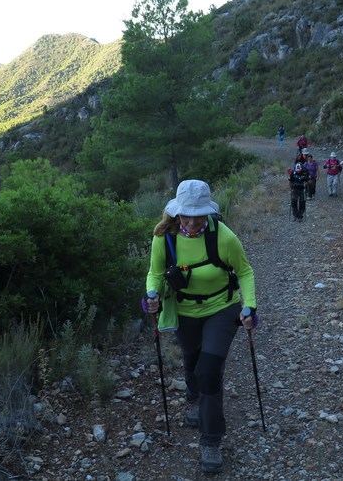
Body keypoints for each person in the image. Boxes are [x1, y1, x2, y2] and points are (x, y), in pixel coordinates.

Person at [144, 180, 257, 473]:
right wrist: (151, 297)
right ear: (177, 213)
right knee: (192, 358)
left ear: (208, 212)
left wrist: (250, 306)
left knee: (208, 371)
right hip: (183, 311)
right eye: (186, 215)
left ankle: (211, 441)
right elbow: (155, 273)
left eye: (198, 215)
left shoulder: (224, 237)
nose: (192, 221)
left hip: (221, 309)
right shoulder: (164, 238)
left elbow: (244, 271)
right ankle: (193, 398)